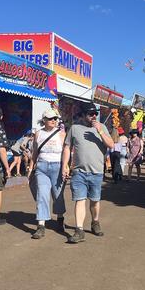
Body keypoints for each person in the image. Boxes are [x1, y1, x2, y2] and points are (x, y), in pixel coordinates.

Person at [62, 103, 114, 243]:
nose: (94, 116)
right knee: (80, 200)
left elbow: (111, 145)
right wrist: (65, 166)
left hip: (96, 172)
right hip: (79, 172)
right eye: (90, 114)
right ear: (84, 115)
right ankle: (79, 230)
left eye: (95, 114)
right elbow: (67, 148)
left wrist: (100, 132)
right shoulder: (75, 128)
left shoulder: (101, 127)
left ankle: (95, 222)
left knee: (95, 201)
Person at [30, 108, 66, 239]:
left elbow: (66, 152)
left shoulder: (61, 134)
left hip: (57, 166)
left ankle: (60, 218)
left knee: (58, 195)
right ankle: (41, 225)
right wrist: (30, 168)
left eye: (55, 118)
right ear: (44, 120)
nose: (54, 121)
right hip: (42, 167)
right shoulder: (38, 134)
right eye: (51, 118)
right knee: (42, 195)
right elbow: (35, 152)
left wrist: (66, 166)